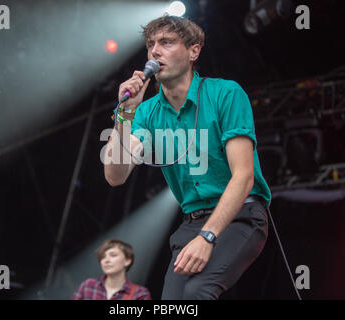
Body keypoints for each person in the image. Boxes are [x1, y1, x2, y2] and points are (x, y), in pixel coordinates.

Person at [103, 15, 271, 300]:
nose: (155, 51)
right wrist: (126, 114)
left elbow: (244, 176)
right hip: (192, 221)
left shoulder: (226, 94)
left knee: (197, 291)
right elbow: (115, 176)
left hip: (241, 215)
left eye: (166, 42)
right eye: (150, 45)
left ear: (194, 51)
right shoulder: (146, 113)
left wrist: (208, 236)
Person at [71, 239, 151, 300]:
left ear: (127, 261)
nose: (106, 260)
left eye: (113, 255)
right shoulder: (88, 286)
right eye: (103, 257)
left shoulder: (139, 294)